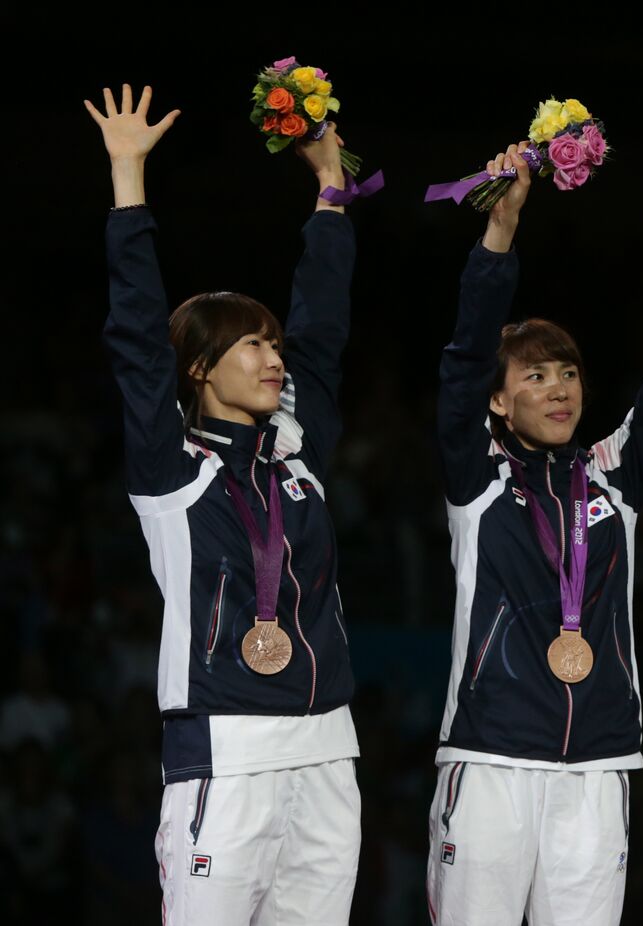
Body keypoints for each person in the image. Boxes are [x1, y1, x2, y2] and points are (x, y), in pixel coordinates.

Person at [427, 141, 643, 925]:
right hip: (491, 761)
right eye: (534, 376)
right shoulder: (477, 477)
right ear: (497, 403)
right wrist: (500, 237)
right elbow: (461, 362)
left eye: (569, 373)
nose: (557, 389)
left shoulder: (611, 477)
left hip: (600, 764)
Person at [88, 83, 364, 925]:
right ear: (202, 370)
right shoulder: (172, 470)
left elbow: (323, 325)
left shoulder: (295, 450)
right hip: (226, 750)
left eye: (272, 343)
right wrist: (127, 181)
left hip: (327, 754)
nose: (274, 356)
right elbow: (137, 342)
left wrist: (331, 196)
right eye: (252, 343)